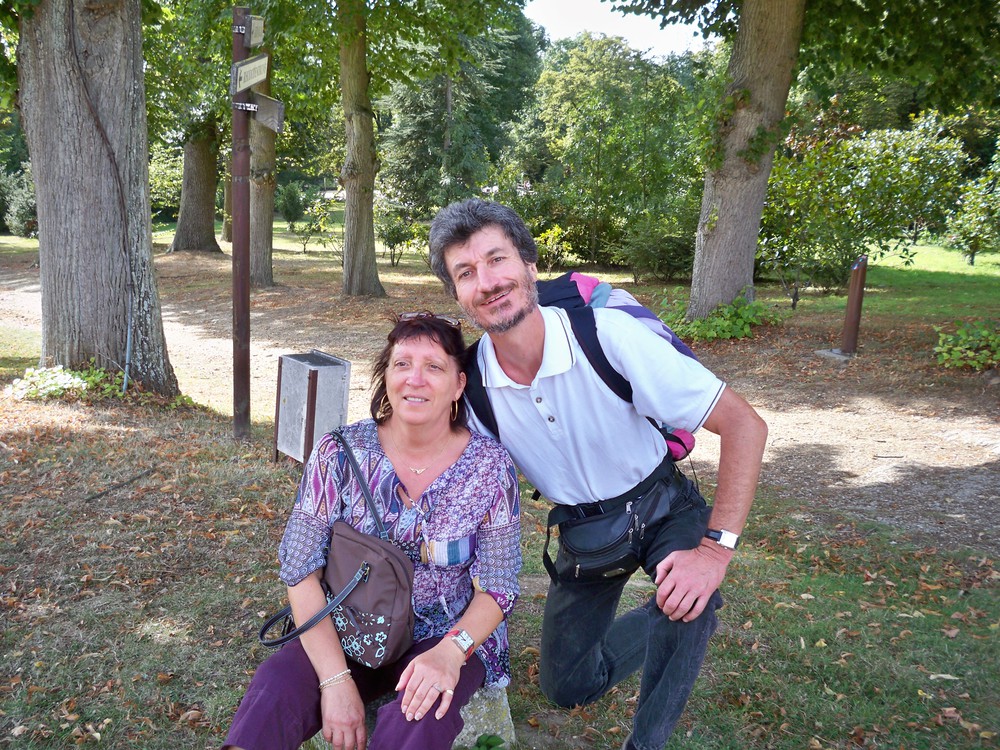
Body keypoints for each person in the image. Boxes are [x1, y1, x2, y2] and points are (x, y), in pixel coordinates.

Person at [428, 199, 768, 750]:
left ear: (530, 266)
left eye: (497, 260)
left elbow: (745, 425)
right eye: (466, 273)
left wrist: (713, 553)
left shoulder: (606, 335)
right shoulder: (474, 390)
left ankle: (648, 736)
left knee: (691, 600)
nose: (487, 282)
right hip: (586, 537)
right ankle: (667, 603)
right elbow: (432, 461)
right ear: (456, 295)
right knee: (568, 688)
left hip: (663, 506)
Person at [223, 312, 521, 750]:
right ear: (387, 376)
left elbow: (499, 586)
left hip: (445, 631)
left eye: (434, 367)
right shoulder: (339, 453)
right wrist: (335, 680)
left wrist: (451, 652)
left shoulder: (491, 469)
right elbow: (300, 570)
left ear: (459, 384)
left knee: (416, 718)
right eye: (402, 364)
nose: (415, 380)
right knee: (278, 682)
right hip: (353, 624)